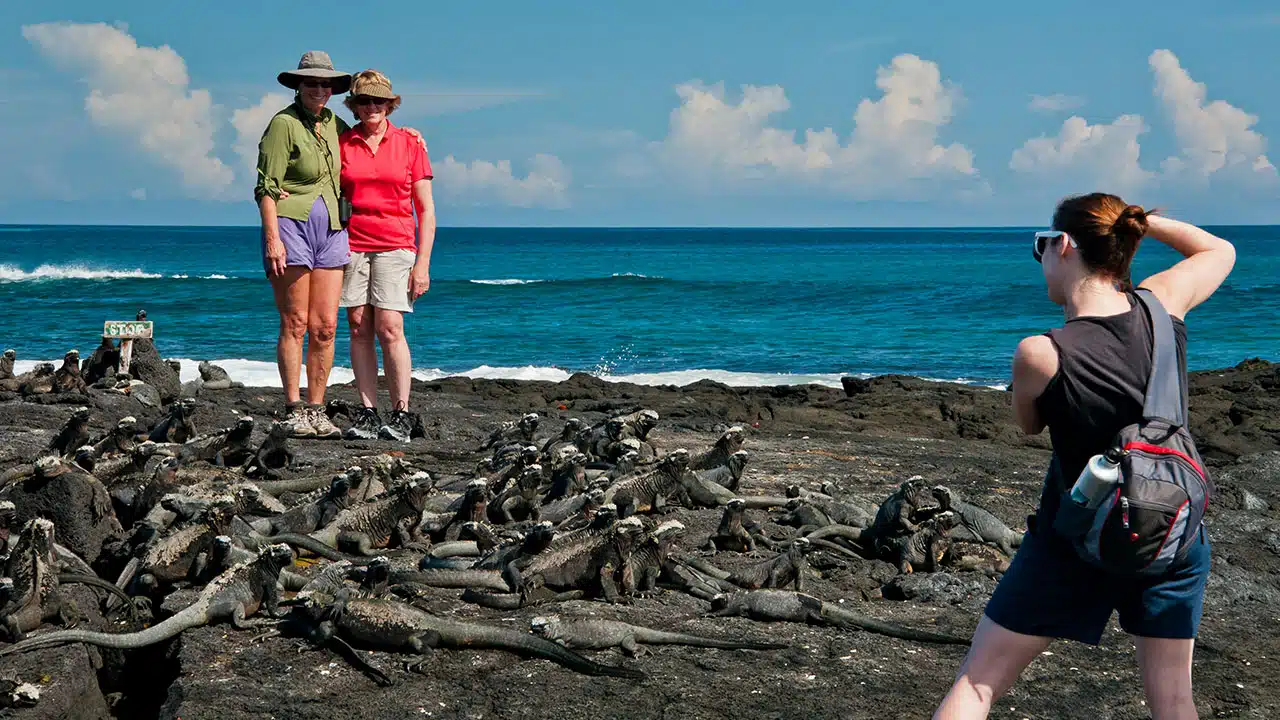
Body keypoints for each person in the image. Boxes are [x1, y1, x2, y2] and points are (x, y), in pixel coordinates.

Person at [933, 193, 1236, 720]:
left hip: (1070, 538)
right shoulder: (1162, 304)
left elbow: (1028, 426)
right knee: (1173, 702)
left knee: (979, 684)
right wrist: (1143, 225)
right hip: (1169, 533)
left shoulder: (1042, 351)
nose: (1041, 259)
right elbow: (1220, 250)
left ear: (1065, 246)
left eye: (1042, 246)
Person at [253, 50, 353, 439]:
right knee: (295, 322)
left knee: (325, 326)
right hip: (290, 226)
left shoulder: (335, 124)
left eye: (325, 83)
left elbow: (364, 142)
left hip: (332, 227)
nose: (319, 89)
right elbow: (265, 187)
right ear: (298, 85)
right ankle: (294, 407)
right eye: (311, 82)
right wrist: (272, 238)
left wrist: (405, 134)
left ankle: (317, 408)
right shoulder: (282, 124)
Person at [336, 70, 436, 442]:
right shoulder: (343, 143)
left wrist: (422, 263)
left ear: (390, 104)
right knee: (359, 326)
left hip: (396, 245)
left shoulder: (410, 144)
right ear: (355, 105)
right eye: (364, 101)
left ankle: (401, 413)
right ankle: (366, 412)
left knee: (390, 327)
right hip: (352, 245)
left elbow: (425, 209)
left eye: (379, 101)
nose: (371, 107)